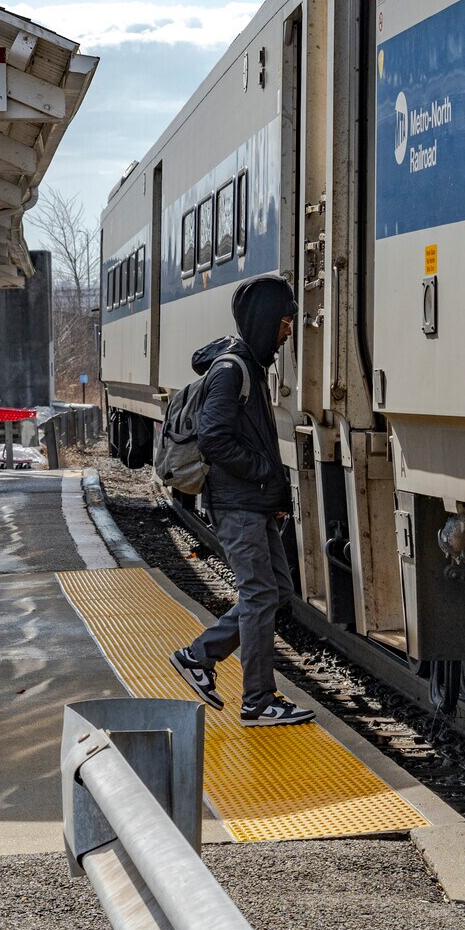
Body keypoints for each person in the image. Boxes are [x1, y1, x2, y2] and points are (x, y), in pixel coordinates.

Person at [169, 275, 315, 727]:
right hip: (237, 504)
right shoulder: (232, 370)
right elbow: (214, 439)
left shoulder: (249, 365)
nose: (288, 332)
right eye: (285, 322)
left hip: (253, 502)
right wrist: (264, 471)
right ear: (265, 319)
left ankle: (199, 656)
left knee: (277, 591)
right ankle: (257, 700)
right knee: (258, 594)